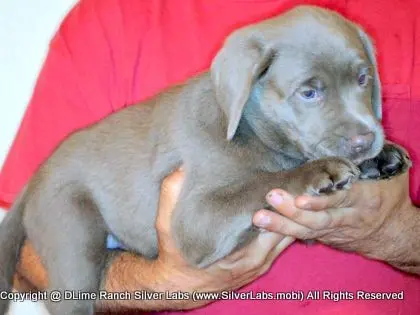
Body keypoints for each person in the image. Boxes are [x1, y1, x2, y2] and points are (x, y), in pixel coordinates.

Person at [0, 0, 419, 314]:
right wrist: (159, 284)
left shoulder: (402, 15)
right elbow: (27, 260)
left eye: (363, 81)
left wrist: (397, 231)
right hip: (82, 200)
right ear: (243, 89)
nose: (363, 129)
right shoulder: (114, 18)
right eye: (310, 92)